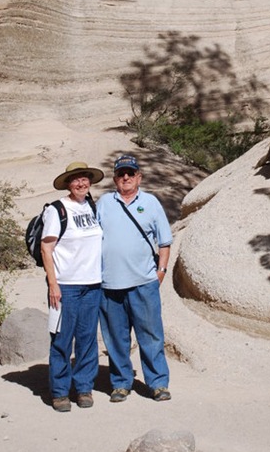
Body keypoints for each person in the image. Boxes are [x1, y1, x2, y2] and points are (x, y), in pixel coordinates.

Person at [97, 154, 173, 403]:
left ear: (139, 176)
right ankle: (120, 383)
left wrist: (160, 272)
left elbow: (164, 242)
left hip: (143, 283)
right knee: (116, 338)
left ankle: (158, 383)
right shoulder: (104, 203)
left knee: (150, 335)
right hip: (110, 285)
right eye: (121, 174)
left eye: (131, 173)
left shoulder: (150, 203)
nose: (126, 177)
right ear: (115, 178)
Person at [40, 161, 104, 412]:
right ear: (68, 183)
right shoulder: (57, 210)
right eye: (76, 179)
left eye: (85, 178)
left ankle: (84, 388)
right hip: (65, 286)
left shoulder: (91, 205)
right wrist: (53, 284)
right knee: (62, 339)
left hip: (92, 285)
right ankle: (59, 392)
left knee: (88, 339)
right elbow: (47, 248)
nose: (81, 183)